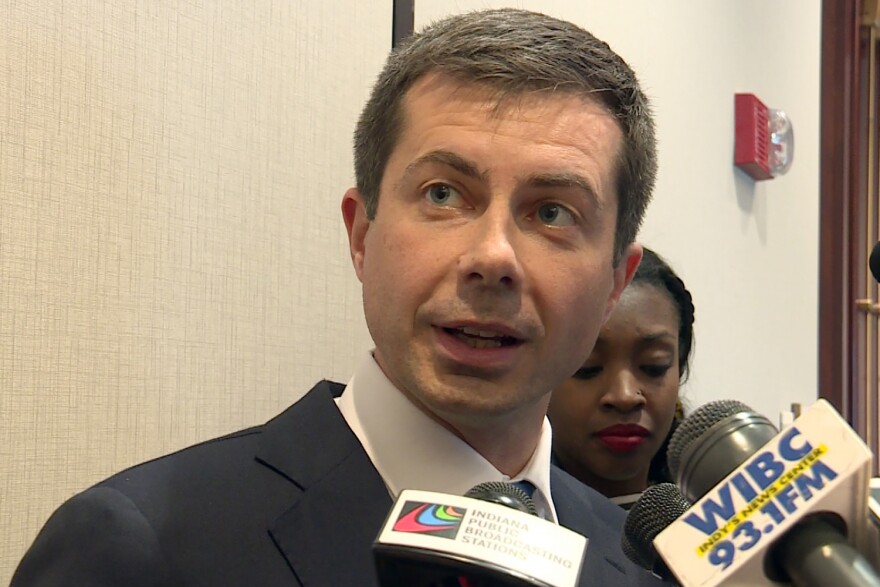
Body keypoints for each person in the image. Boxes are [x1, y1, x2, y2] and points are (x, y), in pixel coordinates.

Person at [11, 9, 668, 587]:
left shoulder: (639, 561)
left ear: (615, 281)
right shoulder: (140, 548)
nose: (492, 257)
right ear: (361, 233)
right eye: (443, 194)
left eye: (552, 212)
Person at [548, 248, 695, 509]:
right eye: (588, 367)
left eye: (654, 366)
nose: (625, 396)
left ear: (679, 370)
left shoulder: (715, 528)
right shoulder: (511, 524)